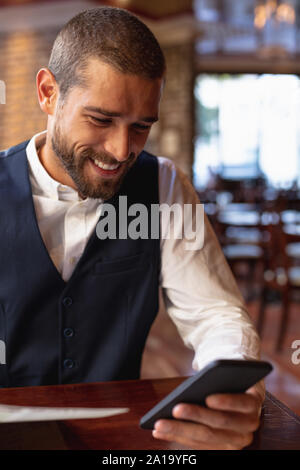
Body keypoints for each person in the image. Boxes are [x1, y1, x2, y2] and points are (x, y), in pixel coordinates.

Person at [0, 7, 264, 450]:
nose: (122, 150)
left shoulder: (162, 185)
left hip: (124, 438)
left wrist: (231, 392)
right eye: (101, 120)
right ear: (49, 93)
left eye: (141, 126)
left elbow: (215, 315)